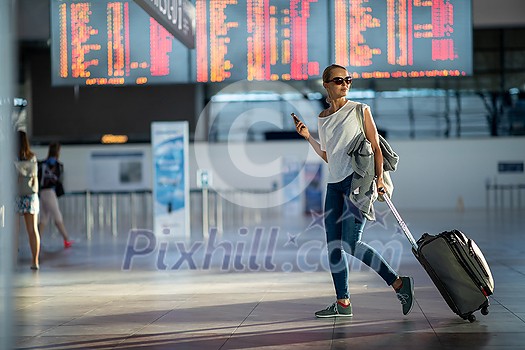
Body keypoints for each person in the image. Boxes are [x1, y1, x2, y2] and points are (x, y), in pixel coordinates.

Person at [293, 64, 414, 317]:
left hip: (357, 182)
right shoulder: (323, 118)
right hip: (334, 185)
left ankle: (399, 283)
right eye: (339, 80)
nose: (345, 83)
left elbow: (376, 147)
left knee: (350, 243)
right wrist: (308, 137)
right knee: (333, 246)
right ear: (326, 84)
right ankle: (343, 303)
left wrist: (379, 179)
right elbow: (328, 156)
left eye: (348, 79)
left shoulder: (360, 110)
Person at [14, 130, 41, 270]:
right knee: (33, 230)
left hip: (16, 196)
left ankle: (12, 261)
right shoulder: (32, 158)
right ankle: (35, 261)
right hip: (31, 196)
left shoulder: (12, 158)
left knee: (14, 231)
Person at [38, 142, 72, 248]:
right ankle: (66, 239)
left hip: (42, 192)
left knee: (44, 217)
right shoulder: (57, 165)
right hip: (50, 192)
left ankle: (37, 240)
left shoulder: (42, 164)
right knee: (57, 216)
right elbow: (58, 180)